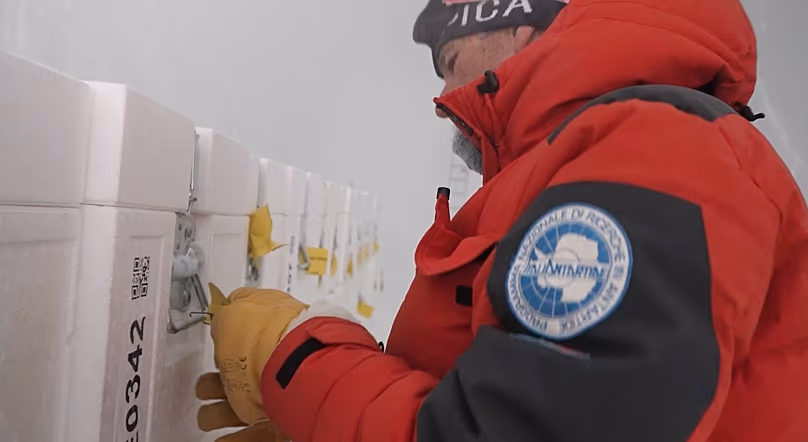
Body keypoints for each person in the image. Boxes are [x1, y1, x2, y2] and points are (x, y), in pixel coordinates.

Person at [195, 0, 808, 440]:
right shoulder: (583, 162)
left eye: (451, 60)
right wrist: (314, 417)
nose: (441, 100)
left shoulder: (654, 150)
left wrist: (297, 359)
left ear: (516, 24)